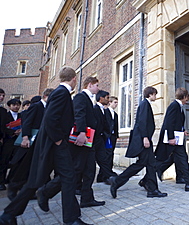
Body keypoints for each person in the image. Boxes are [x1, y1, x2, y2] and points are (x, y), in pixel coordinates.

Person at [0, 66, 91, 225]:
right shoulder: (62, 93)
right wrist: (59, 141)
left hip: (52, 143)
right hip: (54, 143)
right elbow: (50, 119)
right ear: (74, 78)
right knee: (62, 177)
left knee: (43, 179)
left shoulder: (59, 92)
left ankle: (9, 214)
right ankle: (70, 219)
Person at [36, 76, 105, 210]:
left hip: (89, 141)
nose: (98, 88)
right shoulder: (80, 97)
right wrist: (82, 132)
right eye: (97, 85)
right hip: (82, 139)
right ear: (89, 85)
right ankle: (45, 192)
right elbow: (79, 114)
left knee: (90, 170)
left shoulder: (90, 99)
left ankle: (86, 198)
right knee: (75, 169)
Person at [110, 87, 167, 198]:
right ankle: (117, 182)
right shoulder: (145, 104)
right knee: (142, 164)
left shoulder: (145, 104)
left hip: (145, 139)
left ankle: (151, 189)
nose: (155, 96)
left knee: (150, 164)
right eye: (155, 94)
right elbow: (142, 122)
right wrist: (145, 137)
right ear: (150, 94)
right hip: (144, 140)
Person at [7, 88, 54, 200]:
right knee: (23, 165)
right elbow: (27, 122)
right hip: (30, 141)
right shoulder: (36, 106)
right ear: (46, 96)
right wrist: (25, 137)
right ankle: (13, 186)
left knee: (35, 167)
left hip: (41, 142)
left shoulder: (48, 108)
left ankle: (29, 190)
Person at [155, 87, 189, 192]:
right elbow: (169, 123)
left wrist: (182, 132)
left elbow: (176, 123)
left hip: (177, 138)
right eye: (187, 99)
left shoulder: (177, 106)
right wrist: (171, 138)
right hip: (173, 140)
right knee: (175, 159)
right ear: (184, 96)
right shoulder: (174, 106)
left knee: (181, 159)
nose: (187, 101)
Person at [94, 90, 117, 184]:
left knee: (104, 158)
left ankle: (108, 176)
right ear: (101, 98)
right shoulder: (95, 109)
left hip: (104, 138)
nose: (108, 100)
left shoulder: (103, 109)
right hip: (97, 138)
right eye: (107, 98)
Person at [0, 99, 21, 191]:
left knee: (16, 162)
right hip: (8, 141)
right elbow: (3, 127)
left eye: (18, 105)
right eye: (14, 105)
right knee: (4, 161)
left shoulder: (22, 116)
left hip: (18, 141)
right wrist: (13, 132)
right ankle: (1, 181)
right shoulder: (6, 115)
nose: (16, 106)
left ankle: (12, 180)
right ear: (9, 106)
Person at [105, 96, 119, 177]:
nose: (116, 104)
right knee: (107, 154)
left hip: (113, 136)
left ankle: (109, 170)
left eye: (117, 103)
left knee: (111, 153)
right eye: (115, 102)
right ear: (110, 102)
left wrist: (116, 135)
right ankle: (106, 173)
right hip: (107, 136)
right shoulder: (105, 112)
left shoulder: (115, 114)